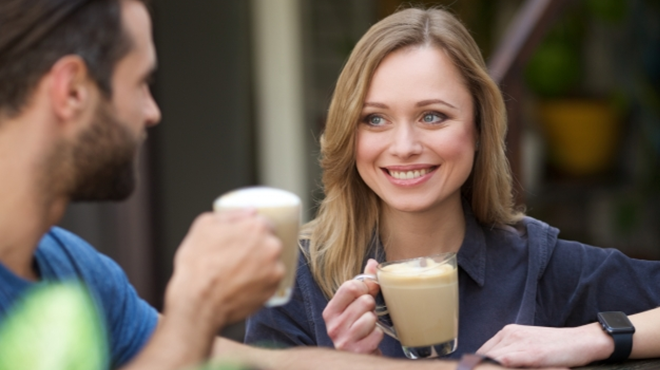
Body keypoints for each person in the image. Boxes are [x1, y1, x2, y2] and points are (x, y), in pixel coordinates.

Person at [0, 1, 516, 369]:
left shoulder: (78, 273)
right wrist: (194, 311)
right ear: (71, 91)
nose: (154, 113)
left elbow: (264, 365)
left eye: (432, 116)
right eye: (141, 85)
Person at [244, 6, 660, 368]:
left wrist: (587, 339)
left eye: (433, 116)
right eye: (374, 119)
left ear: (480, 128)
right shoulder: (293, 283)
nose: (404, 147)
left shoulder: (538, 264)